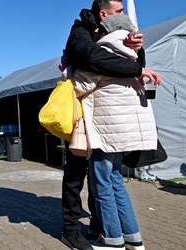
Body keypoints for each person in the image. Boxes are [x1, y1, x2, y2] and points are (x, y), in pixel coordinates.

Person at [61, 1, 161, 250]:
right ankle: (73, 230)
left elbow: (89, 77)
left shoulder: (121, 41)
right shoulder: (81, 30)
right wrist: (136, 66)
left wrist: (138, 53)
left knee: (102, 179)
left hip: (103, 122)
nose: (124, 15)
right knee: (81, 174)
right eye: (119, 10)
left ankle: (108, 234)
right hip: (87, 121)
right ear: (103, 14)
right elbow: (91, 56)